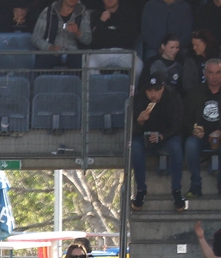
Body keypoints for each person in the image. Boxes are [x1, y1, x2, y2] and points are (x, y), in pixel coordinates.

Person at [130, 72, 185, 211]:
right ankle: (141, 190)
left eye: (157, 90)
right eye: (150, 90)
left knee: (177, 147)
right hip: (144, 137)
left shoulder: (172, 97)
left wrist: (162, 136)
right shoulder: (139, 99)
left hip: (167, 137)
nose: (153, 94)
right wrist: (139, 122)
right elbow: (129, 130)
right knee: (135, 147)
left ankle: (176, 190)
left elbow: (178, 124)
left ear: (163, 88)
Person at [184, 59, 221, 198]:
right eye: (211, 73)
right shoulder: (195, 93)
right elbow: (185, 120)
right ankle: (195, 186)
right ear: (205, 73)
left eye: (218, 72)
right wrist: (193, 130)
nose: (214, 76)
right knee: (190, 144)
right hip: (200, 136)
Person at [31, 0, 92, 70]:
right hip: (51, 52)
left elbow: (88, 40)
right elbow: (35, 37)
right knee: (43, 60)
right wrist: (50, 47)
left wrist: (78, 32)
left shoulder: (83, 13)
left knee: (81, 62)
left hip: (74, 53)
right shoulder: (48, 11)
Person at [88, 0, 141, 75]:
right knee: (90, 64)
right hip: (102, 52)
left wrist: (108, 35)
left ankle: (130, 87)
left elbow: (129, 38)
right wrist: (101, 21)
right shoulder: (96, 14)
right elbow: (94, 40)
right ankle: (98, 86)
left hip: (123, 52)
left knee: (138, 66)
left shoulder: (128, 13)